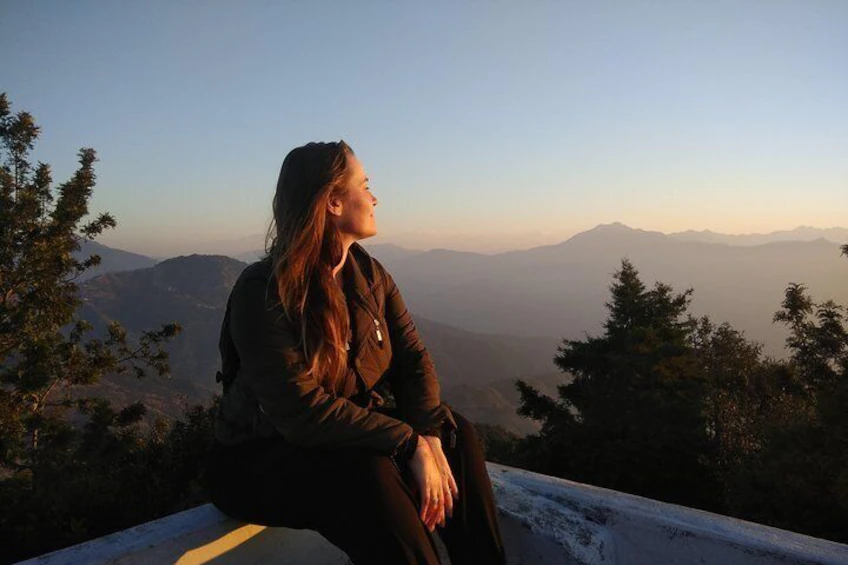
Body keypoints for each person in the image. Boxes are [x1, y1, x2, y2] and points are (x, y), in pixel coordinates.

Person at [204, 141, 506, 564]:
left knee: (457, 435)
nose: (374, 197)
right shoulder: (265, 291)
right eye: (364, 185)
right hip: (257, 459)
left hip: (341, 440)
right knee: (368, 475)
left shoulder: (370, 275)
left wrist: (429, 438)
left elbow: (414, 362)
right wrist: (407, 443)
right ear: (332, 202)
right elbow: (300, 411)